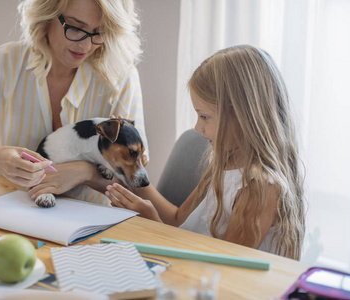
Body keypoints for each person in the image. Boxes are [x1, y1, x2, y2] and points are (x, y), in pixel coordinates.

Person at [0, 0, 148, 204]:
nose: (85, 46)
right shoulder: (0, 66)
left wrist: (85, 171)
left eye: (99, 33)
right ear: (48, 14)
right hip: (10, 215)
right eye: (75, 27)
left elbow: (134, 183)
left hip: (92, 228)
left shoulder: (121, 77)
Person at [104, 45, 306, 260]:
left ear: (242, 115)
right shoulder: (224, 161)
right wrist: (136, 177)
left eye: (204, 116)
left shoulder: (260, 188)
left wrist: (153, 222)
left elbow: (223, 265)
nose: (197, 127)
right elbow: (177, 219)